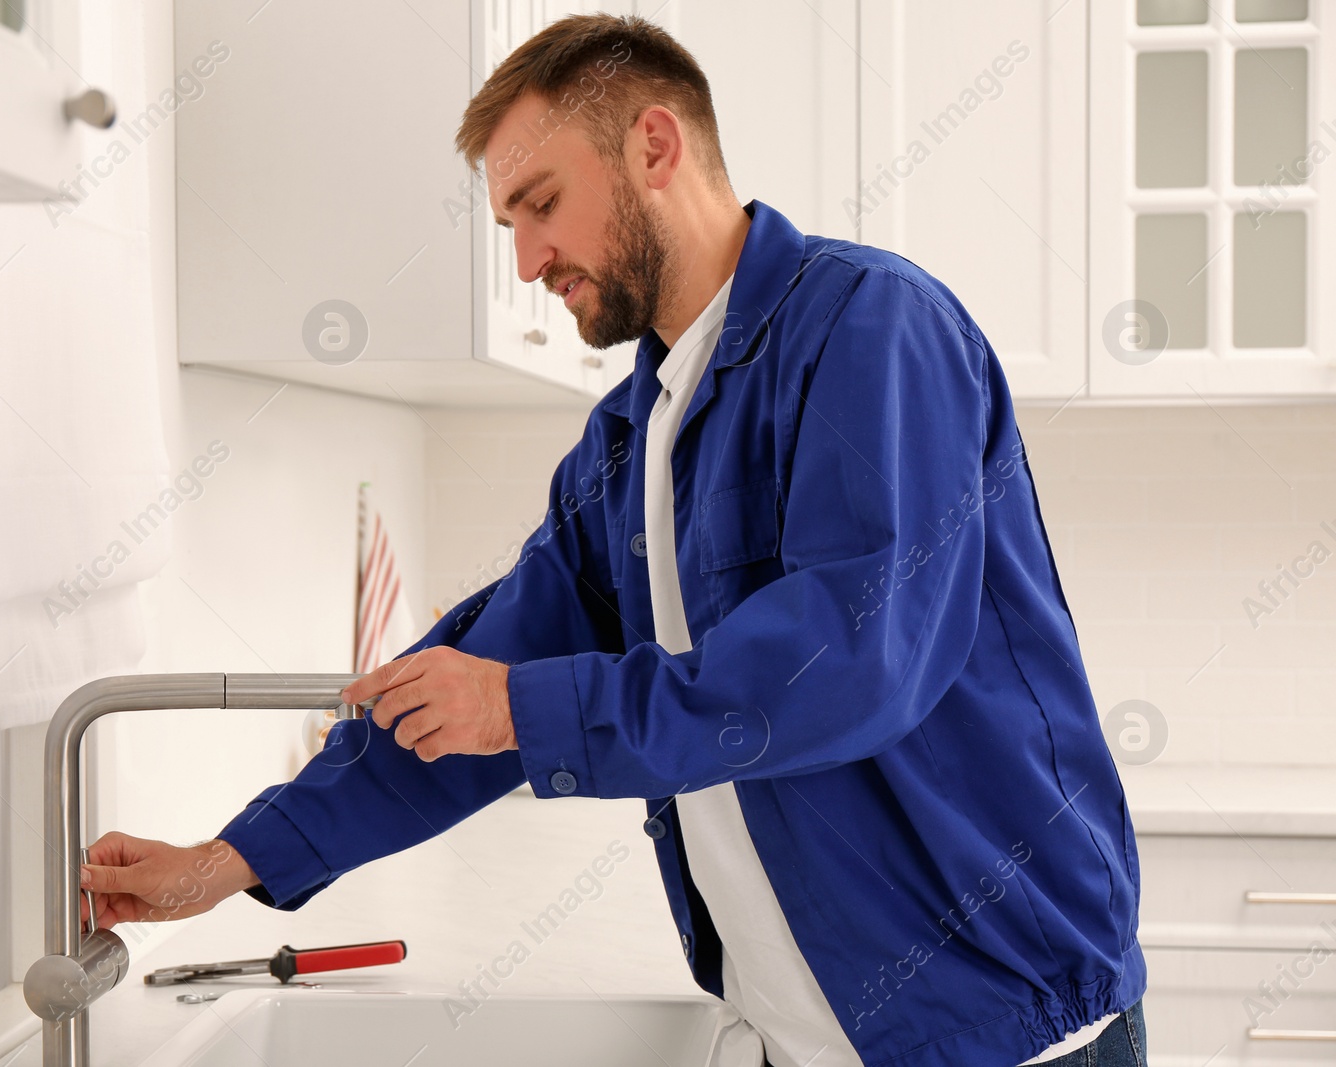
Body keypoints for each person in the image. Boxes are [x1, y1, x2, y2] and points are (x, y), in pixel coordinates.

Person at [79, 14, 1147, 1067]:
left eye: (541, 204)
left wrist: (522, 709)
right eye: (508, 225)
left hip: (1005, 1034)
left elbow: (854, 655)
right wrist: (224, 862)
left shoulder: (872, 328)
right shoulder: (628, 440)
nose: (529, 257)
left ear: (654, 145)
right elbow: (476, 686)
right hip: (805, 1036)